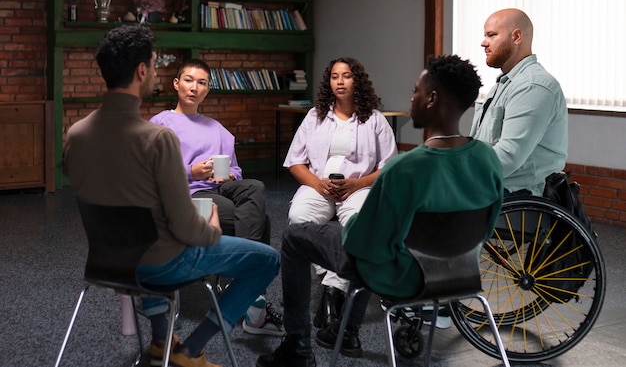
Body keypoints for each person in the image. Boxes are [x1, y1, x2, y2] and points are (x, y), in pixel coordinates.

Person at [256, 54, 504, 367]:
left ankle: (297, 351)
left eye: (416, 91)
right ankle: (345, 331)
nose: (411, 99)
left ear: (432, 98)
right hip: (460, 277)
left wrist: (353, 219)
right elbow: (487, 226)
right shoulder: (488, 159)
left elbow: (365, 243)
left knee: (295, 238)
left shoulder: (405, 168)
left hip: (401, 278)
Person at [64, 25, 280, 367]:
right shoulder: (156, 137)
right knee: (269, 259)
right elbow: (187, 229)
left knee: (150, 236)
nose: (155, 71)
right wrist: (210, 228)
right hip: (161, 263)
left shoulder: (76, 134)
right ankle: (192, 349)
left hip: (108, 259)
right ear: (141, 72)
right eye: (153, 65)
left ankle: (161, 340)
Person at [150, 58, 284, 337]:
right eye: (188, 80)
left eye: (201, 83)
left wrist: (228, 176)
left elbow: (235, 168)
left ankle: (242, 278)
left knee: (255, 187)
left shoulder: (217, 128)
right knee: (263, 221)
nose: (194, 88)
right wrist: (190, 171)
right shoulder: (161, 123)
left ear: (207, 90)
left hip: (217, 188)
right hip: (184, 196)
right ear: (176, 84)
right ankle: (250, 300)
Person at [283, 57, 398, 331]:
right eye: (335, 76)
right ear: (329, 82)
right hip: (318, 185)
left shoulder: (375, 119)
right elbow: (295, 162)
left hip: (359, 187)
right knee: (298, 218)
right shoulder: (315, 116)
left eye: (346, 76)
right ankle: (331, 278)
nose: (340, 81)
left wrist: (357, 185)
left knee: (358, 224)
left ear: (356, 80)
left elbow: (389, 167)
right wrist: (316, 183)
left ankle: (332, 293)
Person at [470, 8, 568, 196]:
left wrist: (457, 175)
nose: (483, 43)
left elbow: (508, 156)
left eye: (491, 35)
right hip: (493, 187)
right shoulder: (506, 83)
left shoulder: (533, 85)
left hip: (516, 195)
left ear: (516, 37)